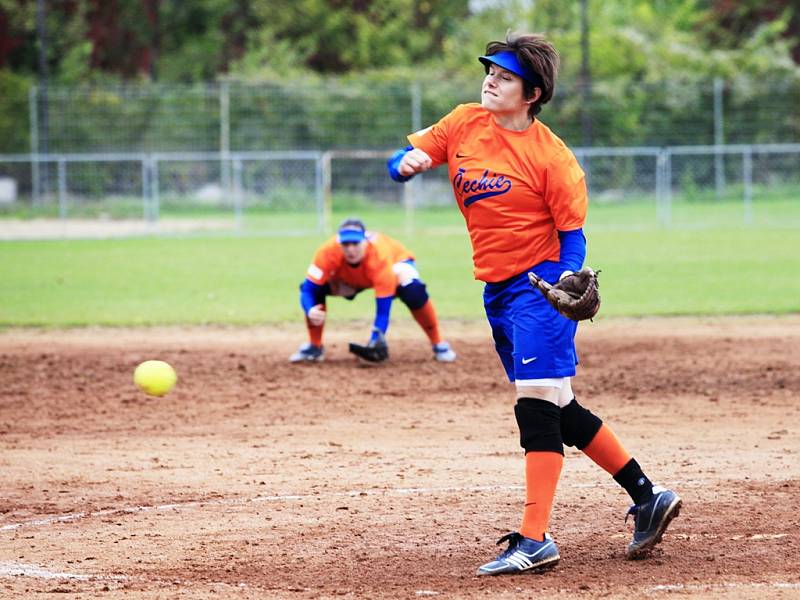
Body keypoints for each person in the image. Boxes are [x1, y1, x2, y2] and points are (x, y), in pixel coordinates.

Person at [387, 32, 681, 575]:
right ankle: (648, 495)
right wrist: (403, 164)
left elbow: (573, 236)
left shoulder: (553, 158)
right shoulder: (464, 122)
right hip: (496, 287)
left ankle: (534, 538)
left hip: (539, 286)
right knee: (559, 406)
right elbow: (414, 152)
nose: (490, 80)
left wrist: (566, 278)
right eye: (490, 71)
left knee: (535, 405)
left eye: (504, 76)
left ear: (533, 93)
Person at [289, 217, 457, 363]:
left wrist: (375, 341)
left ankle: (438, 344)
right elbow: (308, 289)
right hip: (351, 278)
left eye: (355, 243)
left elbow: (383, 311)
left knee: (413, 290)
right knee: (317, 289)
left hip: (395, 265)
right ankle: (314, 347)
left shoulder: (379, 256)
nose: (350, 249)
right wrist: (310, 309)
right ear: (338, 242)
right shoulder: (327, 252)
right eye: (345, 244)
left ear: (365, 241)